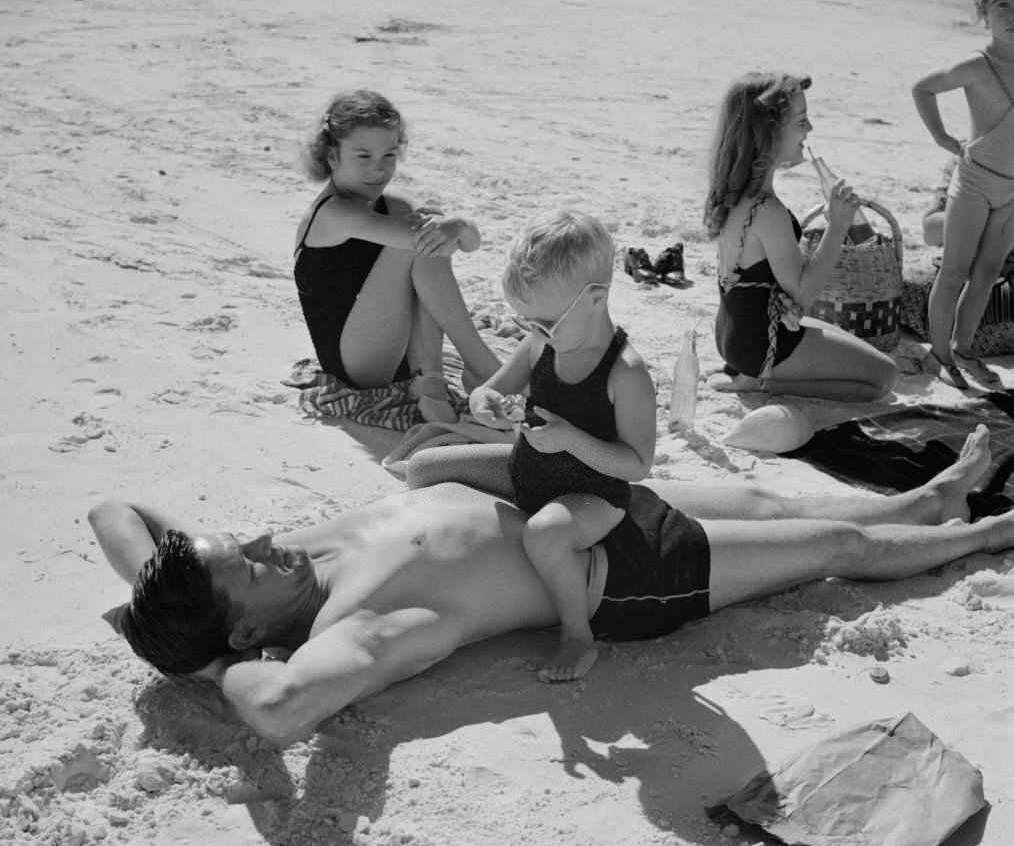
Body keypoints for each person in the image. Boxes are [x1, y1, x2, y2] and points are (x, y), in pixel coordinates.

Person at [89, 425, 1012, 748]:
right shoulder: (358, 624)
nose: (261, 541)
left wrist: (162, 594)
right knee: (835, 543)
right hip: (622, 576)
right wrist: (207, 667)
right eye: (241, 565)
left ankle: (932, 497)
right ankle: (991, 531)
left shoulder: (283, 563)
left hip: (578, 504)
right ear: (243, 634)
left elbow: (111, 510)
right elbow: (281, 710)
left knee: (766, 497)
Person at [466, 211, 657, 682]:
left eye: (546, 323)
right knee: (425, 469)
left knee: (546, 533)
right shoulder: (538, 344)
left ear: (596, 299)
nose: (534, 331)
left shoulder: (625, 372)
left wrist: (570, 438)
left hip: (592, 495)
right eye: (526, 321)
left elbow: (637, 465)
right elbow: (487, 389)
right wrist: (482, 403)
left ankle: (577, 635)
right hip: (528, 469)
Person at [293, 88, 499, 419]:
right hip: (355, 362)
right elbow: (439, 242)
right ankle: (481, 364)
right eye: (364, 157)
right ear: (332, 155)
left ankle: (430, 383)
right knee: (421, 238)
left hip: (399, 353)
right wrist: (451, 226)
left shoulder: (396, 205)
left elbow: (470, 243)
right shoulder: (334, 214)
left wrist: (456, 223)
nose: (379, 170)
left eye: (389, 156)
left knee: (425, 230)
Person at [704, 72, 899, 402]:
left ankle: (753, 376)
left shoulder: (734, 194)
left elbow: (762, 280)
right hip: (762, 348)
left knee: (856, 347)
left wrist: (787, 303)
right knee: (885, 377)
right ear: (769, 131)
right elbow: (805, 291)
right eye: (802, 120)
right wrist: (837, 227)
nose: (809, 130)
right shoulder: (768, 211)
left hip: (732, 336)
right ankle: (764, 383)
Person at [912, 0, 1014, 390]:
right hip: (973, 182)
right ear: (984, 11)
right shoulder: (977, 65)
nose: (1012, 16)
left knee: (988, 273)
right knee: (953, 271)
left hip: (1012, 191)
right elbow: (923, 88)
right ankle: (940, 353)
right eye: (1002, 5)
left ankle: (965, 347)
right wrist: (942, 138)